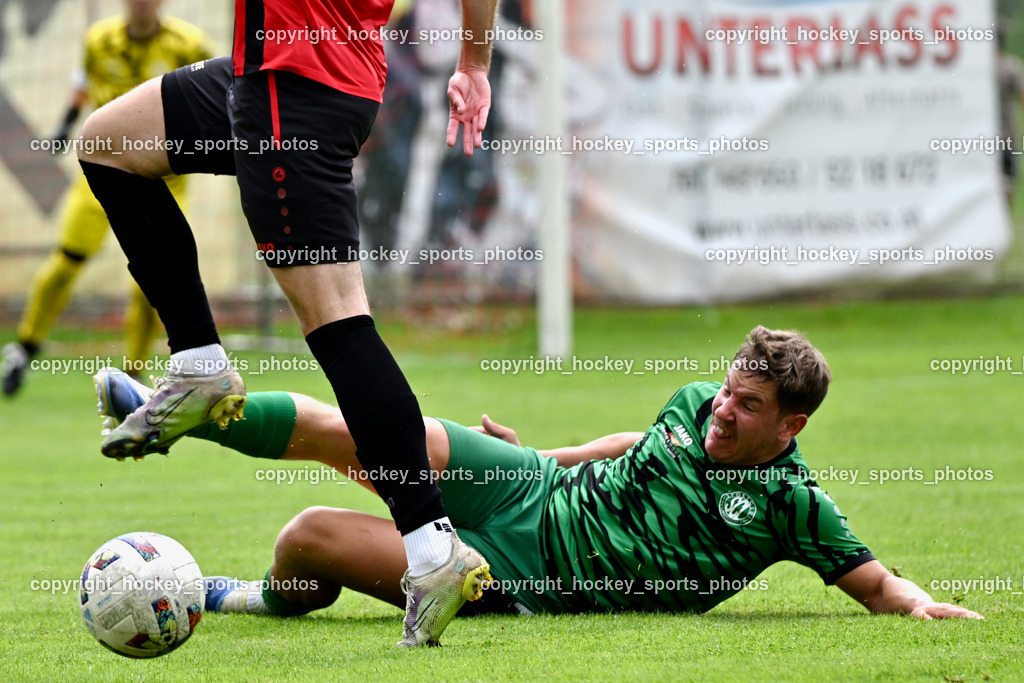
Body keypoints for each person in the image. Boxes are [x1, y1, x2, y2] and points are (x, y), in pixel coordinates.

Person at [76, 0, 498, 647]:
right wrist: (473, 60)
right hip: (294, 70)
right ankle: (197, 365)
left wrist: (473, 60)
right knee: (109, 143)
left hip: (294, 85)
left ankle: (431, 546)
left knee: (338, 324)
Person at [93, 326, 983, 624]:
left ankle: (235, 597)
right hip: (526, 483)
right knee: (364, 428)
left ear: (788, 426)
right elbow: (636, 440)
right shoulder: (690, 402)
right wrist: (536, 454)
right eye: (724, 390)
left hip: (521, 575)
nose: (720, 409)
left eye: (745, 408)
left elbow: (872, 582)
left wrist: (913, 603)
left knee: (307, 539)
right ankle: (180, 414)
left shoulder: (792, 505)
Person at [0, 0, 213, 396]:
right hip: (104, 173)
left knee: (154, 281)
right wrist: (64, 124)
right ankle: (23, 349)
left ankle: (133, 376)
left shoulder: (190, 45)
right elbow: (83, 83)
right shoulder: (99, 40)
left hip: (164, 178)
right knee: (66, 261)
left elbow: (213, 97)